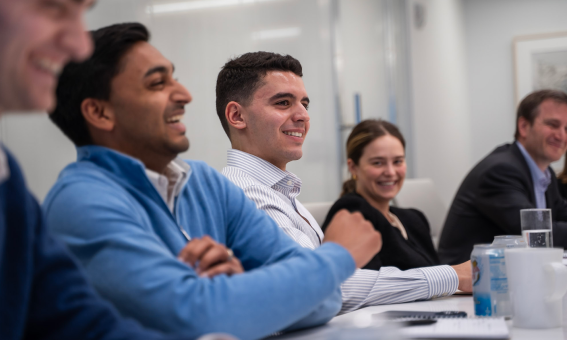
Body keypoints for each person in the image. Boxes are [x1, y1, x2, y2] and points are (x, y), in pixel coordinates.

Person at [43, 22, 380, 340]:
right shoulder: (80, 203)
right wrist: (337, 255)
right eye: (157, 84)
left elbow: (324, 300)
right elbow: (198, 315)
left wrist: (238, 292)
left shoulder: (203, 183)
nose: (184, 95)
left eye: (173, 78)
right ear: (100, 113)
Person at [0, 0, 185, 339]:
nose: (79, 45)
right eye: (52, 5)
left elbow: (82, 326)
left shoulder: (1, 179)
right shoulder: (79, 197)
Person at [218, 51, 472, 315]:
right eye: (283, 103)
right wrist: (452, 276)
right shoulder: (245, 195)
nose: (303, 115)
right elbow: (325, 286)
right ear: (237, 116)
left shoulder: (280, 192)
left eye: (305, 104)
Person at [439, 89, 567, 265]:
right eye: (553, 125)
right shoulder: (500, 171)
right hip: (470, 284)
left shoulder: (545, 172)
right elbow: (534, 234)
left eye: (566, 128)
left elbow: (561, 213)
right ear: (523, 127)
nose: (562, 136)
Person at [322, 119, 441, 271]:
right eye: (378, 163)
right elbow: (368, 286)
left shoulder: (414, 219)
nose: (391, 172)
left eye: (398, 161)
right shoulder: (353, 214)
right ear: (353, 167)